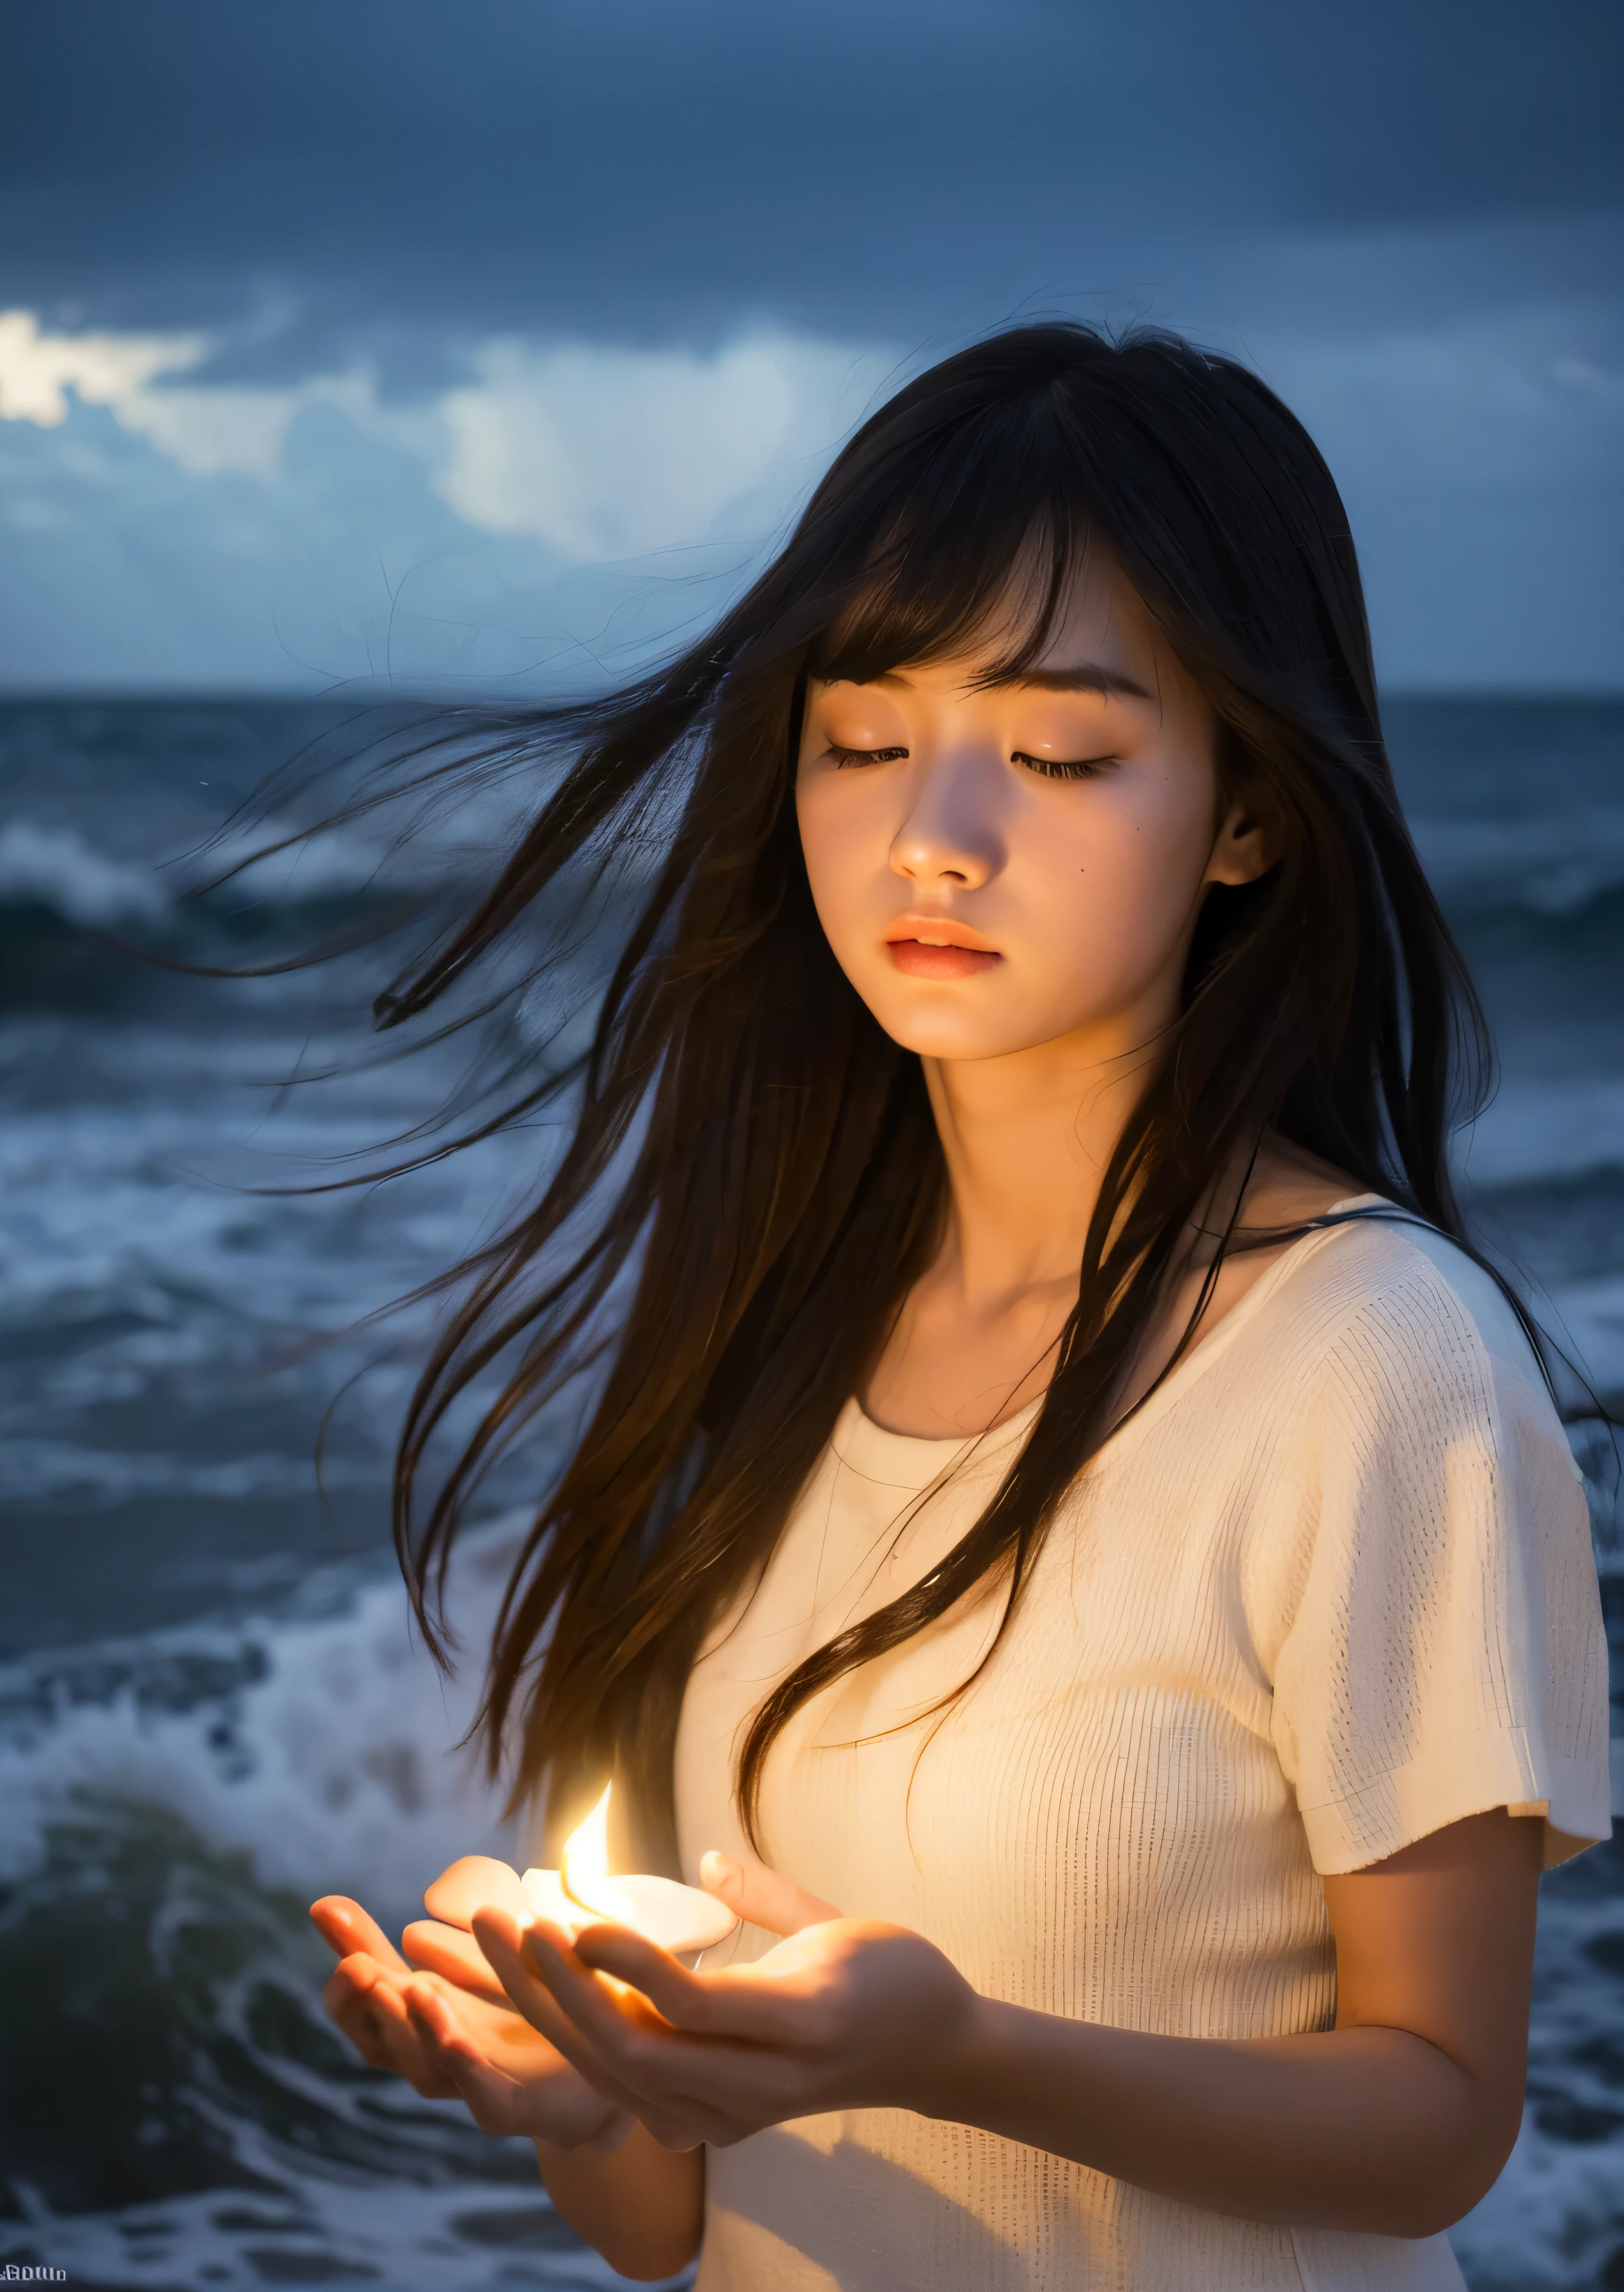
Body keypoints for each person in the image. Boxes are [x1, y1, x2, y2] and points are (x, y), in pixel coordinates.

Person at [307, 323, 1612, 2289]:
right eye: (863, 739)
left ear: (1248, 813)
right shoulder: (784, 1320)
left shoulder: (1371, 1352)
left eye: (1062, 753)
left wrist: (964, 2054)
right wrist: (591, 2089)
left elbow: (1438, 2121)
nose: (936, 834)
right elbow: (674, 2221)